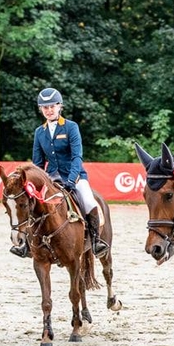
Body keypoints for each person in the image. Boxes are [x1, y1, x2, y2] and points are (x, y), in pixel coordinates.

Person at [17, 87, 109, 258]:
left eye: (52, 106)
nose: (49, 110)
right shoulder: (39, 132)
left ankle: (96, 240)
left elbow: (77, 157)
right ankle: (27, 245)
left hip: (75, 176)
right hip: (51, 179)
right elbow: (37, 163)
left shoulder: (71, 127)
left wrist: (72, 179)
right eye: (45, 107)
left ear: (60, 106)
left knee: (89, 202)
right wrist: (34, 184)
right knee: (32, 205)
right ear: (41, 109)